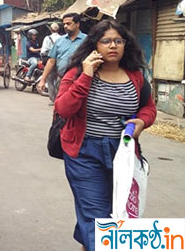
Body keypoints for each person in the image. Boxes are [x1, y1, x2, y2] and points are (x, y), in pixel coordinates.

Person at [54, 19, 156, 251]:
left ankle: (89, 244)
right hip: (84, 152)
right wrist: (87, 75)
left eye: (118, 41)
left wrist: (142, 121)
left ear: (126, 45)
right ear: (95, 45)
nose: (113, 46)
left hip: (124, 153)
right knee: (96, 214)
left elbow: (148, 107)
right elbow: (63, 108)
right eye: (106, 41)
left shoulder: (136, 75)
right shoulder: (77, 72)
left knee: (119, 210)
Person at [38, 13, 87, 97]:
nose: (65, 26)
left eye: (68, 23)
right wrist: (42, 79)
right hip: (61, 80)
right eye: (64, 24)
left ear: (77, 24)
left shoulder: (86, 40)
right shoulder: (60, 41)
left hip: (79, 81)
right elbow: (51, 61)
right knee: (60, 107)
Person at [41, 22, 63, 104]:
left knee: (49, 80)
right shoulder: (62, 38)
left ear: (51, 29)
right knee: (59, 80)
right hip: (60, 61)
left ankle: (52, 100)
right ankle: (59, 98)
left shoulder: (47, 38)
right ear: (58, 30)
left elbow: (43, 51)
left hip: (50, 61)